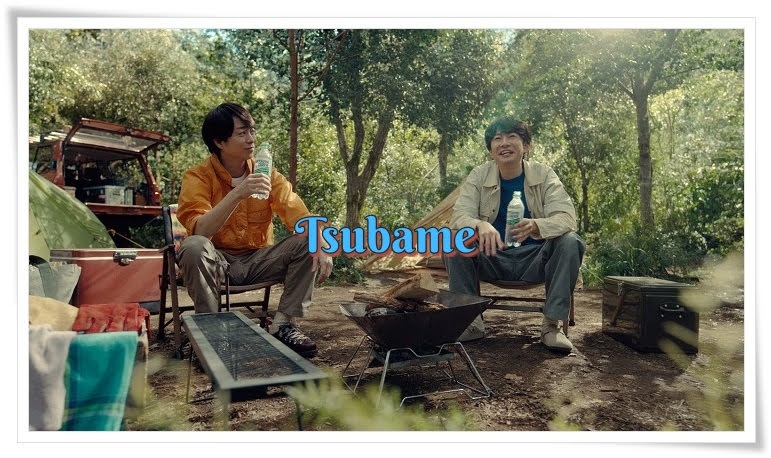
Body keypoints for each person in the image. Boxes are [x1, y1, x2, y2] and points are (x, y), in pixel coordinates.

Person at [176, 102, 333, 357]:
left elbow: (299, 215)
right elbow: (200, 230)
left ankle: (283, 326)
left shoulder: (267, 174)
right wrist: (239, 192)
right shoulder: (198, 177)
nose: (251, 139)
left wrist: (319, 241)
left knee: (309, 241)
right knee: (193, 245)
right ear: (219, 141)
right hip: (217, 262)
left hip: (258, 260)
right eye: (242, 133)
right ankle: (211, 332)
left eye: (252, 131)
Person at [445, 116, 585, 353]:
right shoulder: (479, 175)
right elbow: (459, 217)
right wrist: (479, 225)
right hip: (492, 258)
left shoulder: (544, 174)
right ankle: (469, 323)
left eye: (512, 137)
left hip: (535, 260)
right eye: (497, 139)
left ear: (526, 145)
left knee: (571, 241)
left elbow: (567, 218)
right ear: (491, 149)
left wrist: (536, 225)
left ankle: (551, 326)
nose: (504, 143)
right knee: (453, 239)